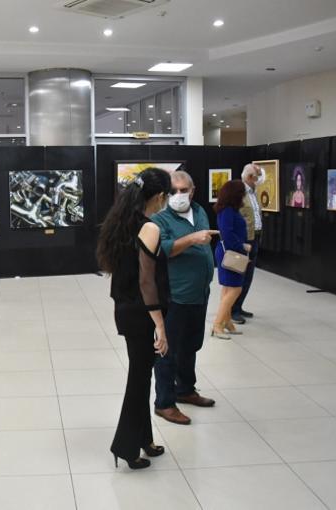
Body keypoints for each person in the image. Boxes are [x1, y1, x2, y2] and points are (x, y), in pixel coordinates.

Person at [96, 168, 171, 470]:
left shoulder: (123, 222)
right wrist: (160, 324)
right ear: (159, 196)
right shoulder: (149, 228)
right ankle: (125, 447)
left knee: (142, 375)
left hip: (126, 309)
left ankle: (144, 439)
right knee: (139, 380)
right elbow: (146, 281)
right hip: (142, 313)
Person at [151, 171, 218, 425]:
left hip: (199, 293)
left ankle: (186, 389)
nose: (179, 195)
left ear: (193, 190)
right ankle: (165, 402)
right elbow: (164, 249)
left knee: (191, 345)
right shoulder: (160, 219)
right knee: (168, 351)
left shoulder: (199, 211)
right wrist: (191, 239)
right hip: (176, 295)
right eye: (173, 191)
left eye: (183, 190)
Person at [213, 180, 251, 339]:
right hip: (231, 253)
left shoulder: (227, 210)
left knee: (228, 289)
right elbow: (227, 233)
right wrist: (242, 246)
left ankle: (227, 321)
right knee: (235, 289)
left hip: (229, 252)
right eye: (242, 193)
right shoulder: (228, 211)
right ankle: (217, 324)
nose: (244, 196)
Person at [233, 163, 263, 324]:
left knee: (248, 276)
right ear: (250, 177)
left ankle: (239, 306)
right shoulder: (238, 192)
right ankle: (232, 310)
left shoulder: (253, 192)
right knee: (239, 275)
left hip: (255, 238)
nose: (260, 179)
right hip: (243, 240)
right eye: (258, 175)